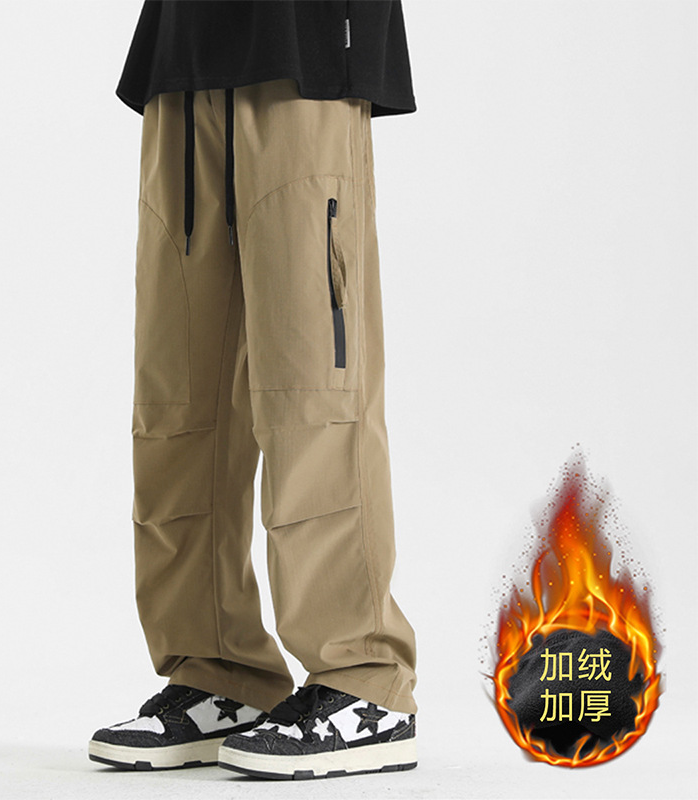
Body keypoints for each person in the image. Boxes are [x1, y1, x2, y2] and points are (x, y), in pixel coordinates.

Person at [88, 0, 419, 781]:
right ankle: (219, 670)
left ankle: (363, 680)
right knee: (178, 399)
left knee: (312, 386)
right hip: (182, 50)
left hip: (306, 43)